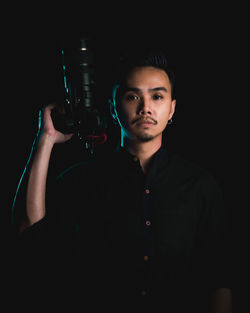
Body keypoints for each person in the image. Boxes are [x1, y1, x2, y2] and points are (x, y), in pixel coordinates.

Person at [13, 49, 232, 312]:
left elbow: (218, 279)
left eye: (157, 96)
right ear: (113, 106)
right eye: (132, 96)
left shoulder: (200, 185)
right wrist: (46, 137)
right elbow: (30, 231)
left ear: (172, 108)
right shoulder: (84, 178)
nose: (145, 107)